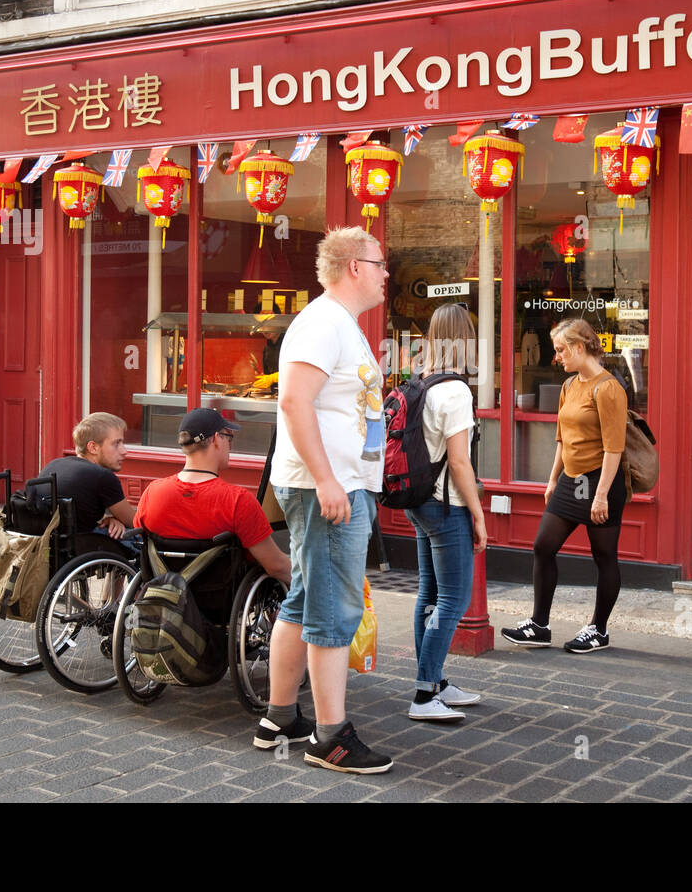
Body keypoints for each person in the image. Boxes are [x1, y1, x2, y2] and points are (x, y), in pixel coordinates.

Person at [256, 226, 393, 773]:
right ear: (355, 266)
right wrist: (329, 479)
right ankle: (330, 736)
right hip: (326, 489)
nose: (387, 274)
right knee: (336, 608)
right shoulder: (321, 322)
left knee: (306, 598)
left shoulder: (341, 324)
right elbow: (293, 401)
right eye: (380, 263)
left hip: (335, 484)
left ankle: (281, 717)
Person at [502, 317, 627, 653]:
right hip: (571, 482)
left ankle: (598, 630)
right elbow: (562, 438)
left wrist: (601, 495)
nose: (556, 357)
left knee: (604, 556)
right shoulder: (570, 386)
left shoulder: (608, 388)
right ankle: (539, 626)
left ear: (578, 347)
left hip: (601, 481)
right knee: (543, 546)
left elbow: (615, 447)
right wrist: (553, 479)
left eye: (560, 350)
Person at [404, 303, 488, 721]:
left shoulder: (419, 381)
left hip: (418, 502)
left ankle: (433, 682)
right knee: (454, 599)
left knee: (430, 594)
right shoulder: (455, 390)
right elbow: (459, 462)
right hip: (446, 505)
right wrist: (478, 513)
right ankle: (423, 697)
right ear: (465, 339)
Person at [133, 408, 290, 586]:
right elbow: (277, 566)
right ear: (216, 439)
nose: (230, 446)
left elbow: (140, 539)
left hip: (163, 601)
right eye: (228, 438)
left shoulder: (152, 493)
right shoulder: (238, 500)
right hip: (218, 604)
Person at [34, 412, 136, 540]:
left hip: (47, 542)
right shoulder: (103, 476)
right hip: (78, 546)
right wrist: (115, 519)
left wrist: (107, 520)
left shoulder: (54, 464)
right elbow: (134, 522)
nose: (124, 451)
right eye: (116, 443)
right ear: (93, 447)